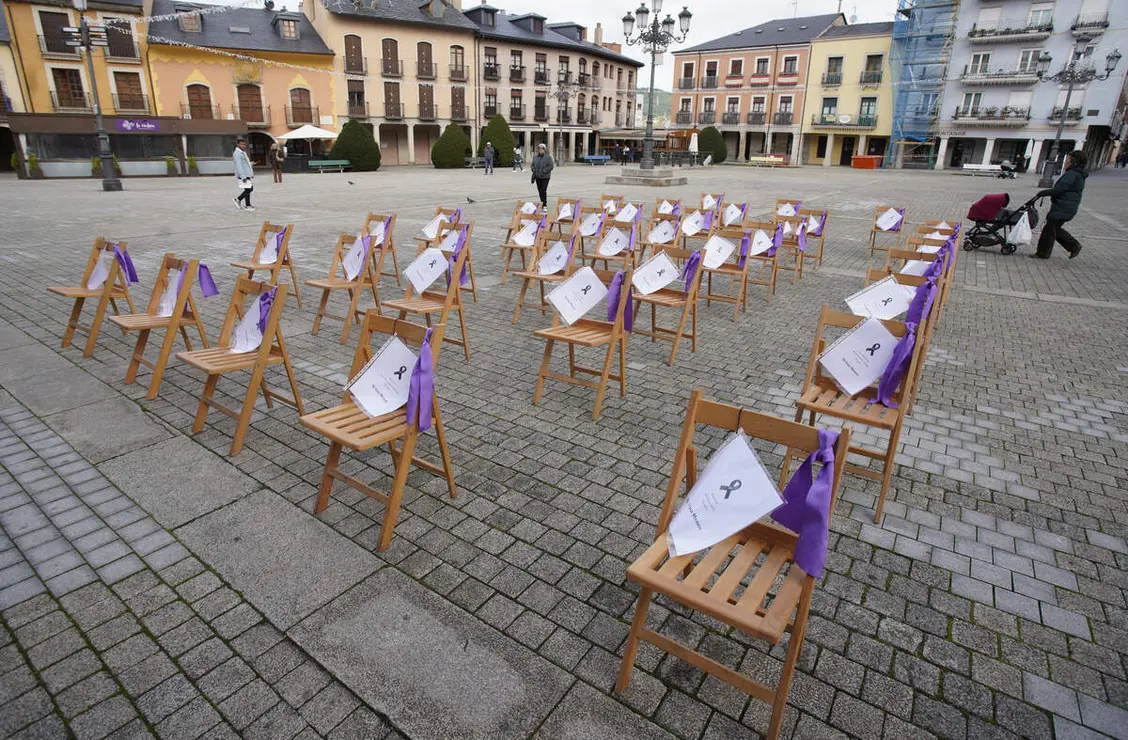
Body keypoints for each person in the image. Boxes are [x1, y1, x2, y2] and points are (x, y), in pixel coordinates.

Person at [1032, 150, 1087, 259]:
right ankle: (1073, 246)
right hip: (1067, 206)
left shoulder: (1072, 174)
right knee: (1053, 229)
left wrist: (1043, 193)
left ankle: (1044, 253)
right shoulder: (1077, 174)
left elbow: (1059, 189)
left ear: (1074, 161)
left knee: (1049, 230)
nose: (1065, 162)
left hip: (1063, 207)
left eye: (1067, 159)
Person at [233, 138, 255, 211]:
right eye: (241, 144)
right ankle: (238, 199)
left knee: (248, 188)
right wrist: (242, 176)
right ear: (238, 144)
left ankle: (247, 205)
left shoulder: (243, 152)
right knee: (250, 189)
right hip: (243, 175)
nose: (243, 146)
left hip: (247, 173)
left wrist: (251, 163)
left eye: (244, 144)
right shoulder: (237, 153)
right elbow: (238, 165)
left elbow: (244, 163)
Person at [530, 142, 554, 209]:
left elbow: (551, 166)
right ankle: (542, 202)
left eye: (541, 149)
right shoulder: (535, 157)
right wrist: (533, 169)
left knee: (543, 190)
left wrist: (543, 171)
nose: (540, 150)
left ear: (544, 150)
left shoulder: (548, 157)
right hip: (537, 176)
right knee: (540, 190)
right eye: (539, 149)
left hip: (545, 177)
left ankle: (544, 204)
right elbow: (532, 165)